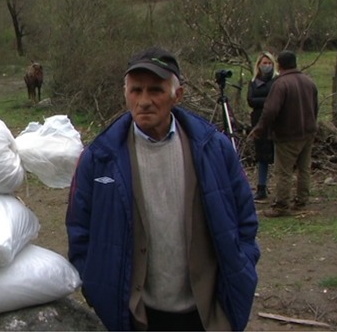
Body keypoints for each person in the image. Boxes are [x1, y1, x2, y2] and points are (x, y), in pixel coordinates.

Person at [68, 47, 259, 331]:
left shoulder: (213, 149)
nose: (144, 101)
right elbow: (79, 231)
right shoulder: (99, 158)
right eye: (136, 90)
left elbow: (245, 219)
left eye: (155, 90)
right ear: (125, 93)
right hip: (136, 315)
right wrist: (98, 287)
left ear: (176, 95)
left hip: (206, 314)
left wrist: (242, 270)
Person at [247, 50, 318, 217]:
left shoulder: (281, 84)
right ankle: (301, 200)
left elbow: (270, 110)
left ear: (279, 64)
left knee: (283, 171)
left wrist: (260, 128)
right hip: (307, 132)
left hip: (288, 134)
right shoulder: (308, 81)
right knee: (304, 168)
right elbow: (315, 107)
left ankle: (281, 205)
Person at [247, 52, 277, 201]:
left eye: (269, 63)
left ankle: (280, 188)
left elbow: (277, 100)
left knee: (277, 155)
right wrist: (268, 100)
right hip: (258, 121)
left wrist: (265, 101)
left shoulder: (277, 81)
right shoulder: (253, 82)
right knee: (261, 156)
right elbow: (251, 100)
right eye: (264, 63)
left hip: (275, 121)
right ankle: (261, 187)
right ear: (259, 65)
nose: (267, 66)